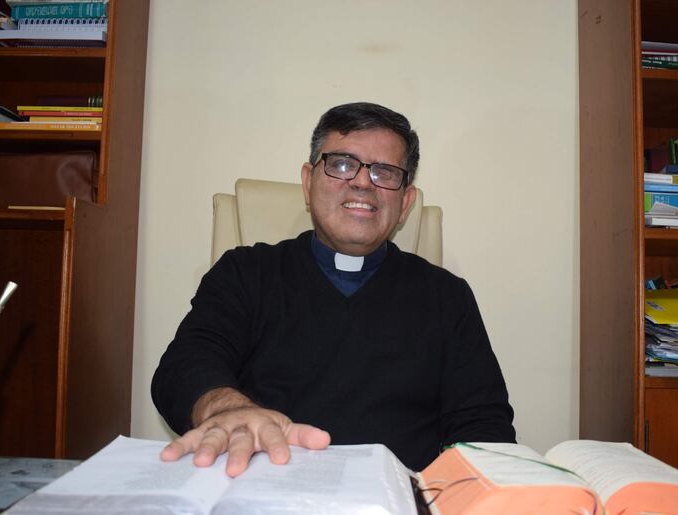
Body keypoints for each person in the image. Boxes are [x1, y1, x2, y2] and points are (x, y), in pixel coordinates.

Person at [151, 102, 516, 477]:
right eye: (342, 164)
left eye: (384, 172)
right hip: (264, 490)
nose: (362, 182)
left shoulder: (446, 296)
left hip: (399, 497)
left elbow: (484, 426)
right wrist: (229, 410)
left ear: (405, 202)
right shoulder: (245, 272)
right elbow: (184, 367)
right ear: (308, 183)